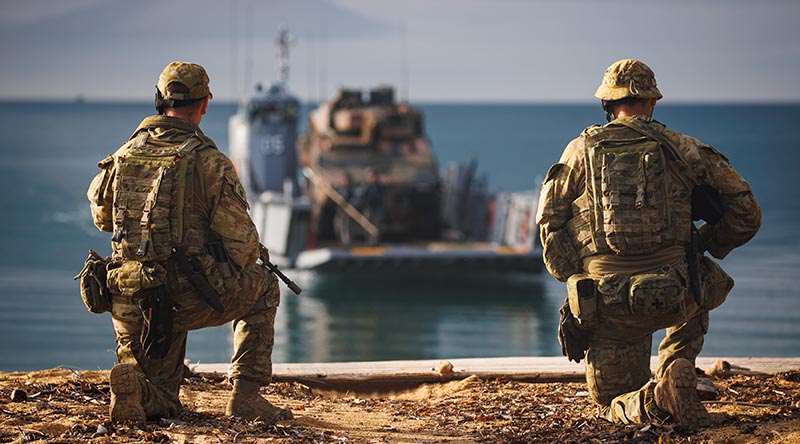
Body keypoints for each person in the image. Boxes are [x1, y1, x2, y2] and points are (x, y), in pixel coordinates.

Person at [536, 59, 761, 430]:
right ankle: (677, 369)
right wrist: (703, 243)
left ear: (608, 104)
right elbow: (747, 213)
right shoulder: (684, 149)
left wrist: (574, 277)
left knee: (611, 405)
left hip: (609, 307)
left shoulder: (579, 150)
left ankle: (655, 398)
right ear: (652, 102)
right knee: (698, 277)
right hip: (674, 293)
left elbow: (550, 224)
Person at [87, 61, 293, 425]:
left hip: (128, 299)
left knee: (163, 399)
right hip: (183, 299)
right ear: (205, 104)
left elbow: (103, 219)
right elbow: (243, 246)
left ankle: (136, 387)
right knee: (264, 287)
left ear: (158, 101)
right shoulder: (209, 162)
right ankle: (245, 397)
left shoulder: (122, 154)